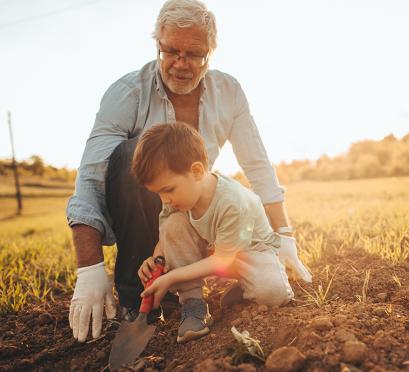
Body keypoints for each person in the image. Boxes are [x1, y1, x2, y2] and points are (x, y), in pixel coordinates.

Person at [67, 0, 311, 343]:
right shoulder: (127, 93)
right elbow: (91, 177)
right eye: (171, 51)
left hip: (199, 207)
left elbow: (256, 163)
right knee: (135, 156)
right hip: (168, 209)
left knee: (264, 281)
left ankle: (210, 277)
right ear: (158, 45)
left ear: (210, 53)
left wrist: (284, 233)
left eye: (194, 54)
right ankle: (141, 293)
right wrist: (89, 268)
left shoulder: (229, 92)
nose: (181, 64)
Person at [134, 122, 293, 342]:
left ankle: (248, 287)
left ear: (197, 171)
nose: (164, 199)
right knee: (173, 223)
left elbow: (222, 261)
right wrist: (156, 260)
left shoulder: (232, 202)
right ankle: (193, 304)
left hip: (252, 252)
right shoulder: (175, 198)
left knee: (273, 295)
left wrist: (171, 278)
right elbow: (166, 234)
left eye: (168, 190)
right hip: (218, 250)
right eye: (158, 193)